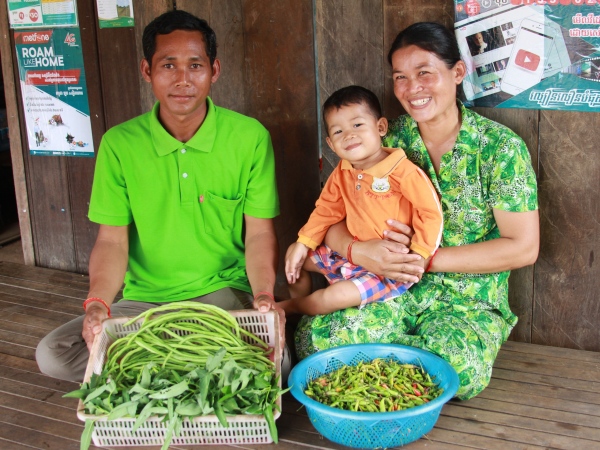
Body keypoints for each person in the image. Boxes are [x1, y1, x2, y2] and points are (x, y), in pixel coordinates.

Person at [35, 10, 285, 382]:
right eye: (168, 65)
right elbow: (112, 242)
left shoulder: (249, 138)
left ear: (214, 70)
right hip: (145, 302)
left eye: (195, 65)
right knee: (54, 355)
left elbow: (260, 233)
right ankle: (192, 367)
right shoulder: (120, 144)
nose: (183, 80)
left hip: (220, 297)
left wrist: (264, 295)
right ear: (146, 70)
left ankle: (157, 368)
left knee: (276, 365)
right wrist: (98, 306)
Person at [294, 22, 539, 400]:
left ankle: (391, 371)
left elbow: (523, 247)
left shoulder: (499, 149)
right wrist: (361, 252)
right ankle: (395, 381)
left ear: (457, 72)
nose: (412, 89)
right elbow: (333, 214)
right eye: (400, 78)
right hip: (388, 288)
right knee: (316, 340)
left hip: (466, 301)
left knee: (457, 368)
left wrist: (422, 261)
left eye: (425, 73)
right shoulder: (384, 139)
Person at [281, 85, 443, 316]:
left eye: (357, 125)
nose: (349, 135)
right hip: (350, 253)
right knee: (294, 258)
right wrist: (304, 242)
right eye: (338, 132)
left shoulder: (403, 172)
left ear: (380, 127)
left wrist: (420, 255)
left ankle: (290, 310)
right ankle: (300, 309)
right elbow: (326, 209)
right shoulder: (342, 172)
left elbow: (430, 213)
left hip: (387, 267)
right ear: (330, 143)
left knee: (334, 297)